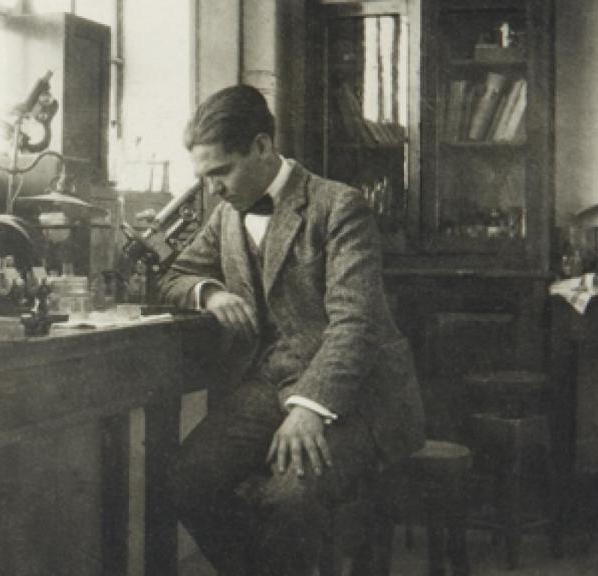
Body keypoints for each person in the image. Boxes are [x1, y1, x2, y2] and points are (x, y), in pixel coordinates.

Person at [158, 84, 425, 575]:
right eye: (204, 176)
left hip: (358, 396)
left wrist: (310, 408)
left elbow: (355, 324)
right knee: (183, 479)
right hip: (270, 384)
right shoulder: (225, 213)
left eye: (221, 171)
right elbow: (174, 276)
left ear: (262, 146)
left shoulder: (339, 206)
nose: (212, 187)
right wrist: (210, 293)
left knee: (289, 498)